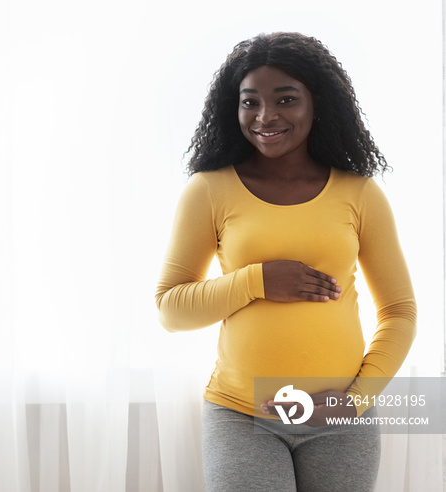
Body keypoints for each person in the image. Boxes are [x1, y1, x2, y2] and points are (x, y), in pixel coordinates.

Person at [155, 32, 416, 491]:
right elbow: (171, 310)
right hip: (241, 414)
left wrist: (352, 402)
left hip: (339, 420)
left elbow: (399, 312)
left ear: (318, 105)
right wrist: (257, 280)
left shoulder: (359, 193)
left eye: (286, 99)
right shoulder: (209, 190)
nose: (264, 116)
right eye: (249, 102)